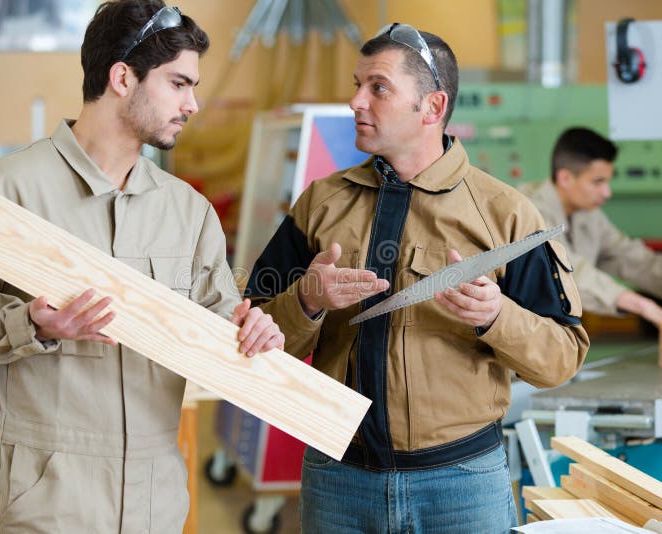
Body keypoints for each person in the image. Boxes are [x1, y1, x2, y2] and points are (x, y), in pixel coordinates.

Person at [0, 1, 284, 532]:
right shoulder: (10, 188)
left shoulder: (188, 212)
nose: (193, 103)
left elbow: (218, 321)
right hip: (47, 498)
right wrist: (30, 324)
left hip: (155, 501)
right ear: (122, 77)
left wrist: (251, 330)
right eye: (179, 83)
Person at [245, 23, 589, 533]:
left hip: (463, 486)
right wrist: (307, 302)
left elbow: (563, 356)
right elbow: (252, 336)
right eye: (357, 84)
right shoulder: (320, 204)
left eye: (378, 88)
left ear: (432, 107)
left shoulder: (507, 216)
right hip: (337, 478)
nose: (356, 101)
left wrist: (497, 316)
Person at [521, 127, 662, 327]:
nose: (607, 192)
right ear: (565, 178)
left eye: (607, 181)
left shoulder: (587, 214)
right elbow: (569, 274)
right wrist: (647, 308)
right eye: (598, 182)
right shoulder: (527, 211)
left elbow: (635, 260)